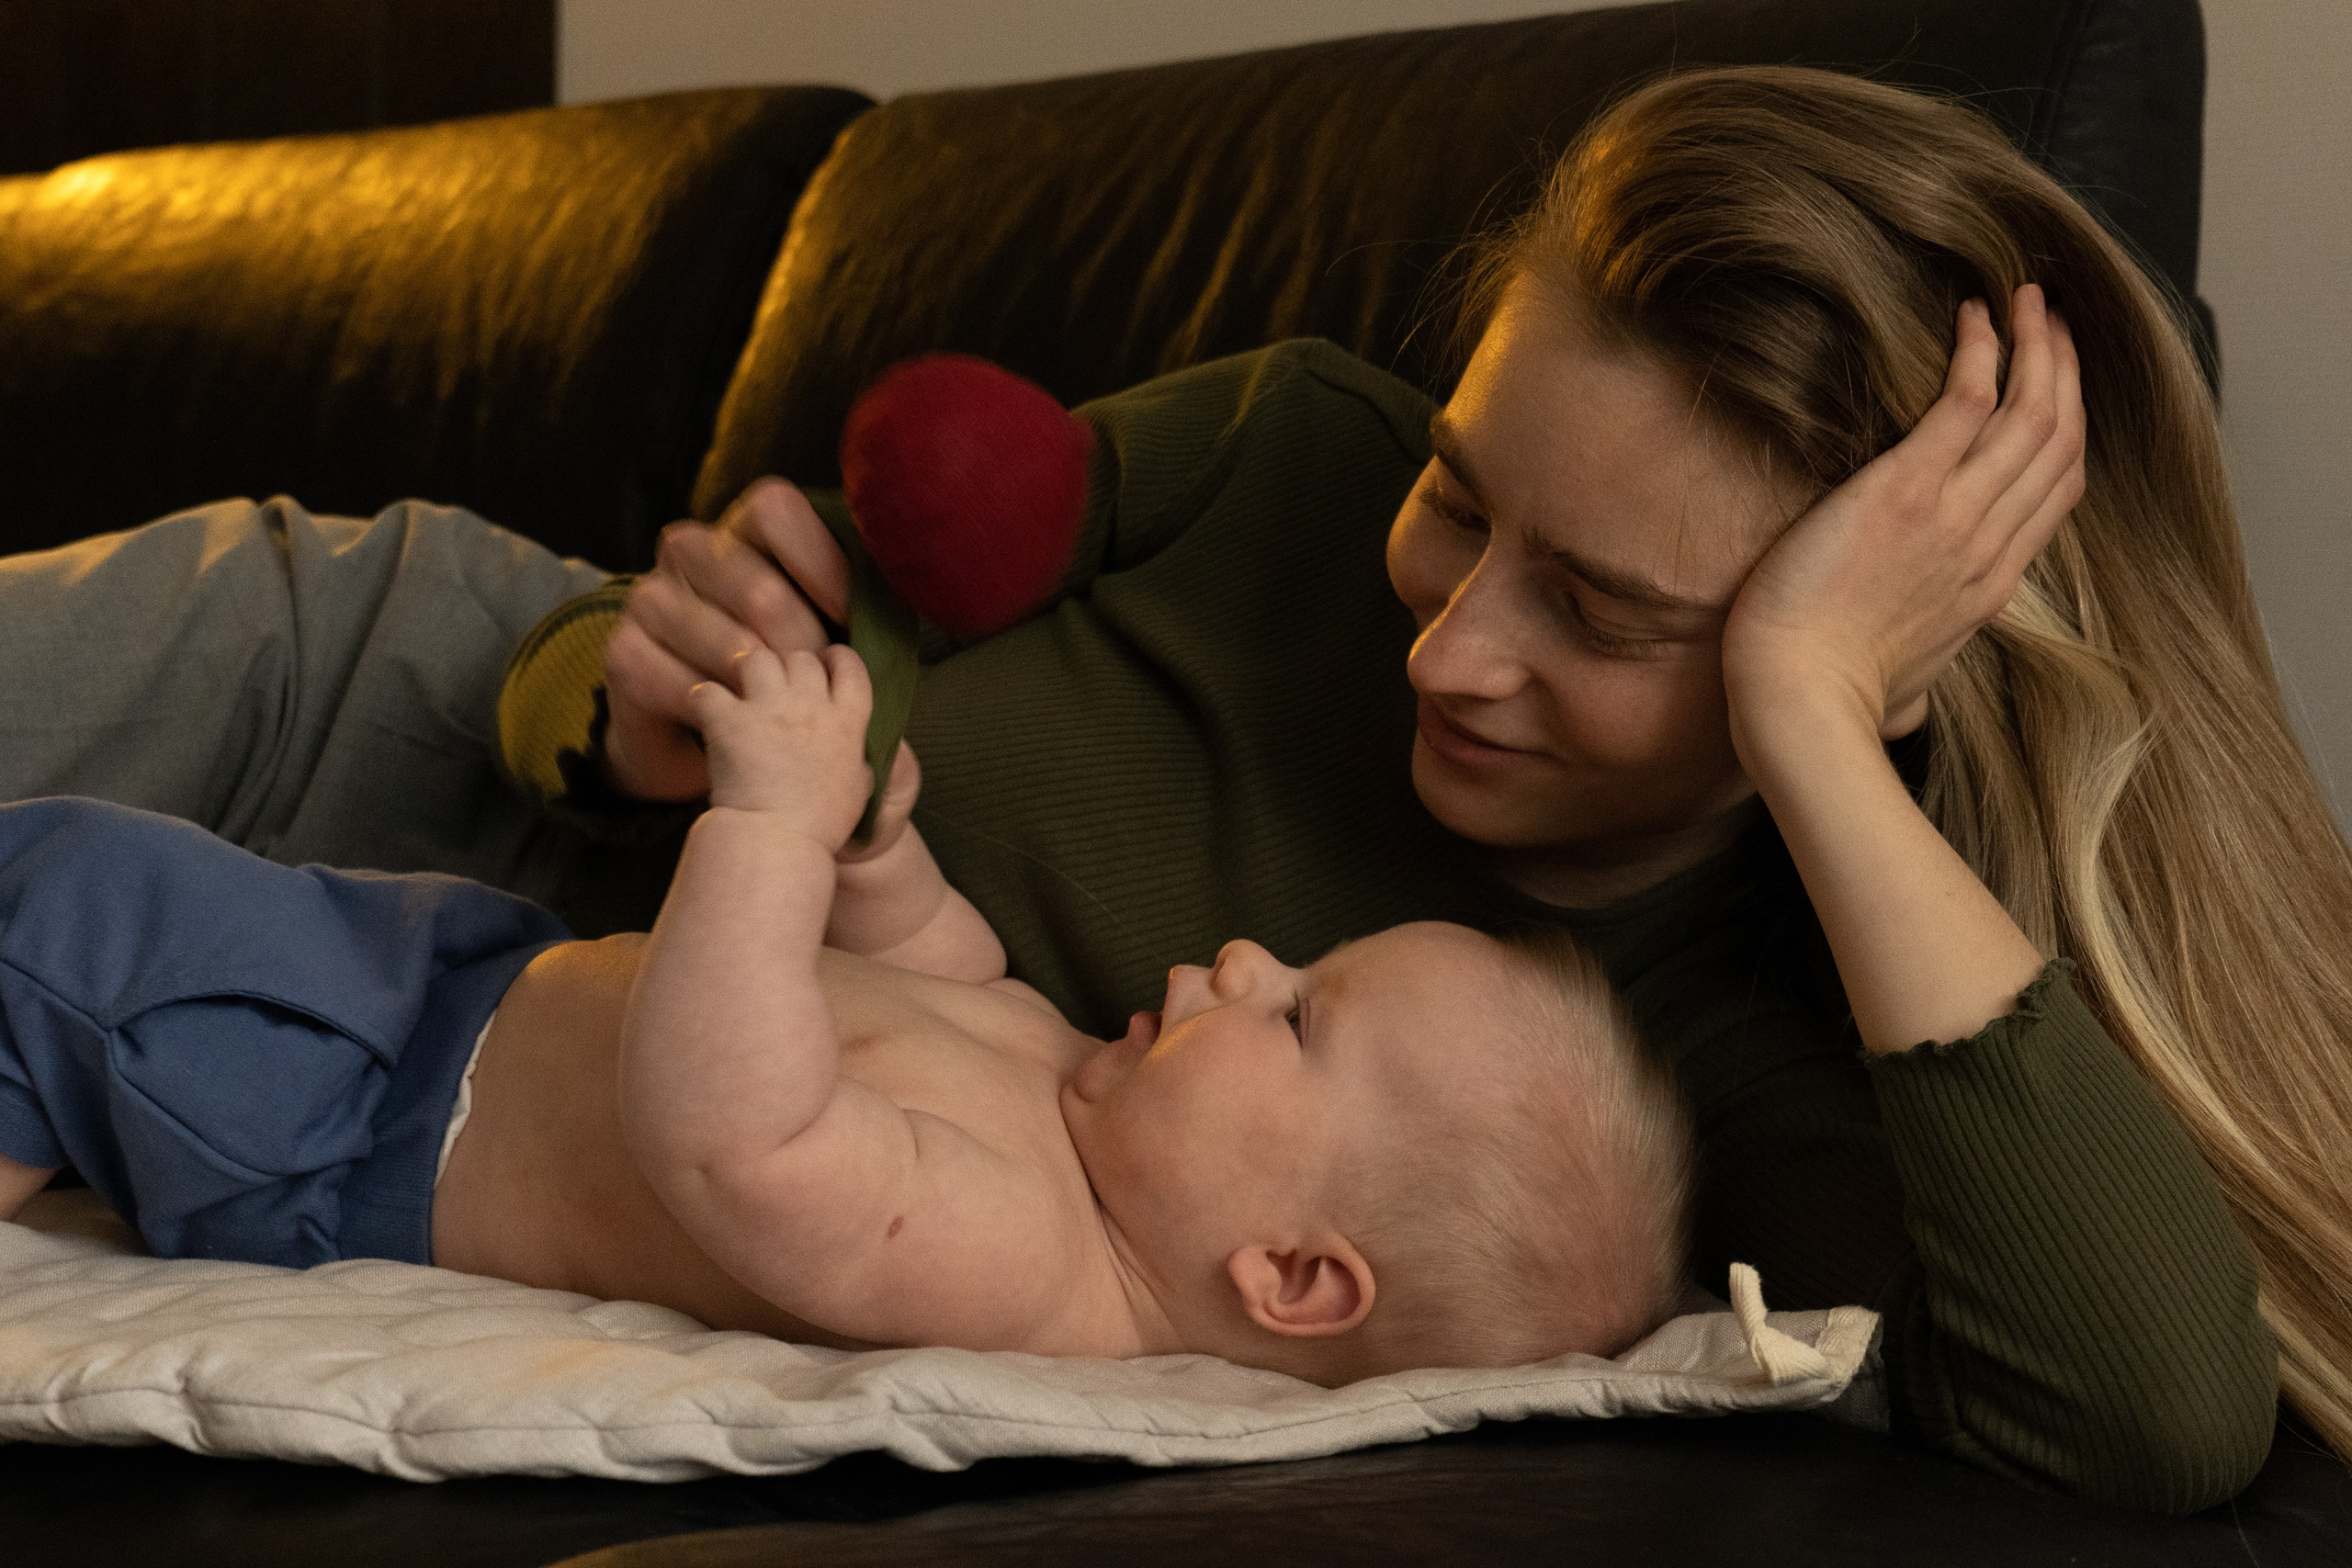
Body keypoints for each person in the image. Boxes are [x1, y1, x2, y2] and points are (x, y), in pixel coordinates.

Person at [0, 65, 2335, 1512]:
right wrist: (641, 695)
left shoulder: (1713, 1066)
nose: (1446, 641)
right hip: (400, 727)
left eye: (1614, 615)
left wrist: (1809, 717)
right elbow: (845, 598)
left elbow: (2150, 1415)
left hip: (401, 1077)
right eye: (1458, 496)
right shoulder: (1295, 444)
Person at [0, 637, 1695, 1383]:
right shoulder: (1088, 1109)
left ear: (1295, 1277)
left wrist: (767, 831)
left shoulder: (1020, 1265)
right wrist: (874, 856)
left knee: (61, 896)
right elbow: (945, 971)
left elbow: (735, 1136)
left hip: (350, 1105)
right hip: (454, 988)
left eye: (1303, 1018)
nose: (1250, 959)